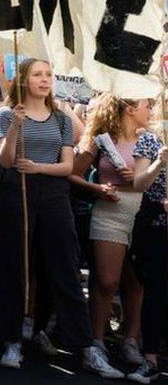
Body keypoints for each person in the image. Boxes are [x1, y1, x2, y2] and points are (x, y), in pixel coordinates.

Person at [0, 59, 120, 377]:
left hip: (53, 192)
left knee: (65, 268)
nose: (45, 79)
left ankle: (87, 347)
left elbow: (67, 166)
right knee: (16, 267)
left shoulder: (62, 118)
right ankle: (11, 341)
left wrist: (37, 167)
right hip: (18, 191)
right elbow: (7, 161)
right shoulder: (7, 114)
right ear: (23, 79)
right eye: (38, 74)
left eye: (48, 74)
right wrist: (15, 128)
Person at [73, 94, 147, 367]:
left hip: (140, 213)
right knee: (106, 281)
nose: (149, 109)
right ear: (129, 109)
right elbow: (72, 172)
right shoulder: (99, 138)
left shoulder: (149, 139)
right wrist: (96, 188)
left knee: (136, 281)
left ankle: (130, 340)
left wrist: (140, 177)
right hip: (109, 212)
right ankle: (97, 340)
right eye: (145, 105)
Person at [127, 125, 168, 383]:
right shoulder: (151, 141)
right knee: (156, 292)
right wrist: (160, 164)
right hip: (155, 229)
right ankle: (150, 359)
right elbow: (138, 182)